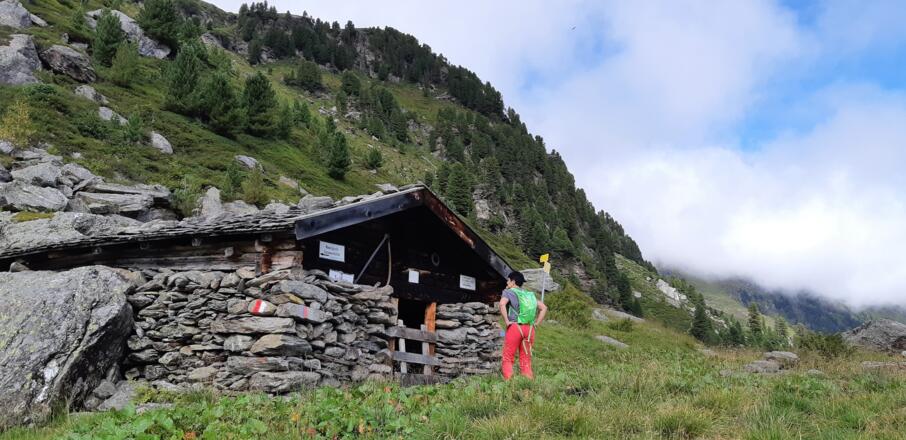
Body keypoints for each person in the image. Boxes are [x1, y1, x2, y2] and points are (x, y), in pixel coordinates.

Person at [499, 271, 547, 380]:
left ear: (513, 281)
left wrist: (506, 321)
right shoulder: (529, 294)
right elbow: (544, 308)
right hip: (529, 329)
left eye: (508, 280)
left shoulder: (509, 292)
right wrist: (536, 324)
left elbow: (502, 304)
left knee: (508, 357)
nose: (507, 282)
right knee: (526, 358)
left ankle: (509, 382)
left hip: (515, 327)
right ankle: (527, 382)